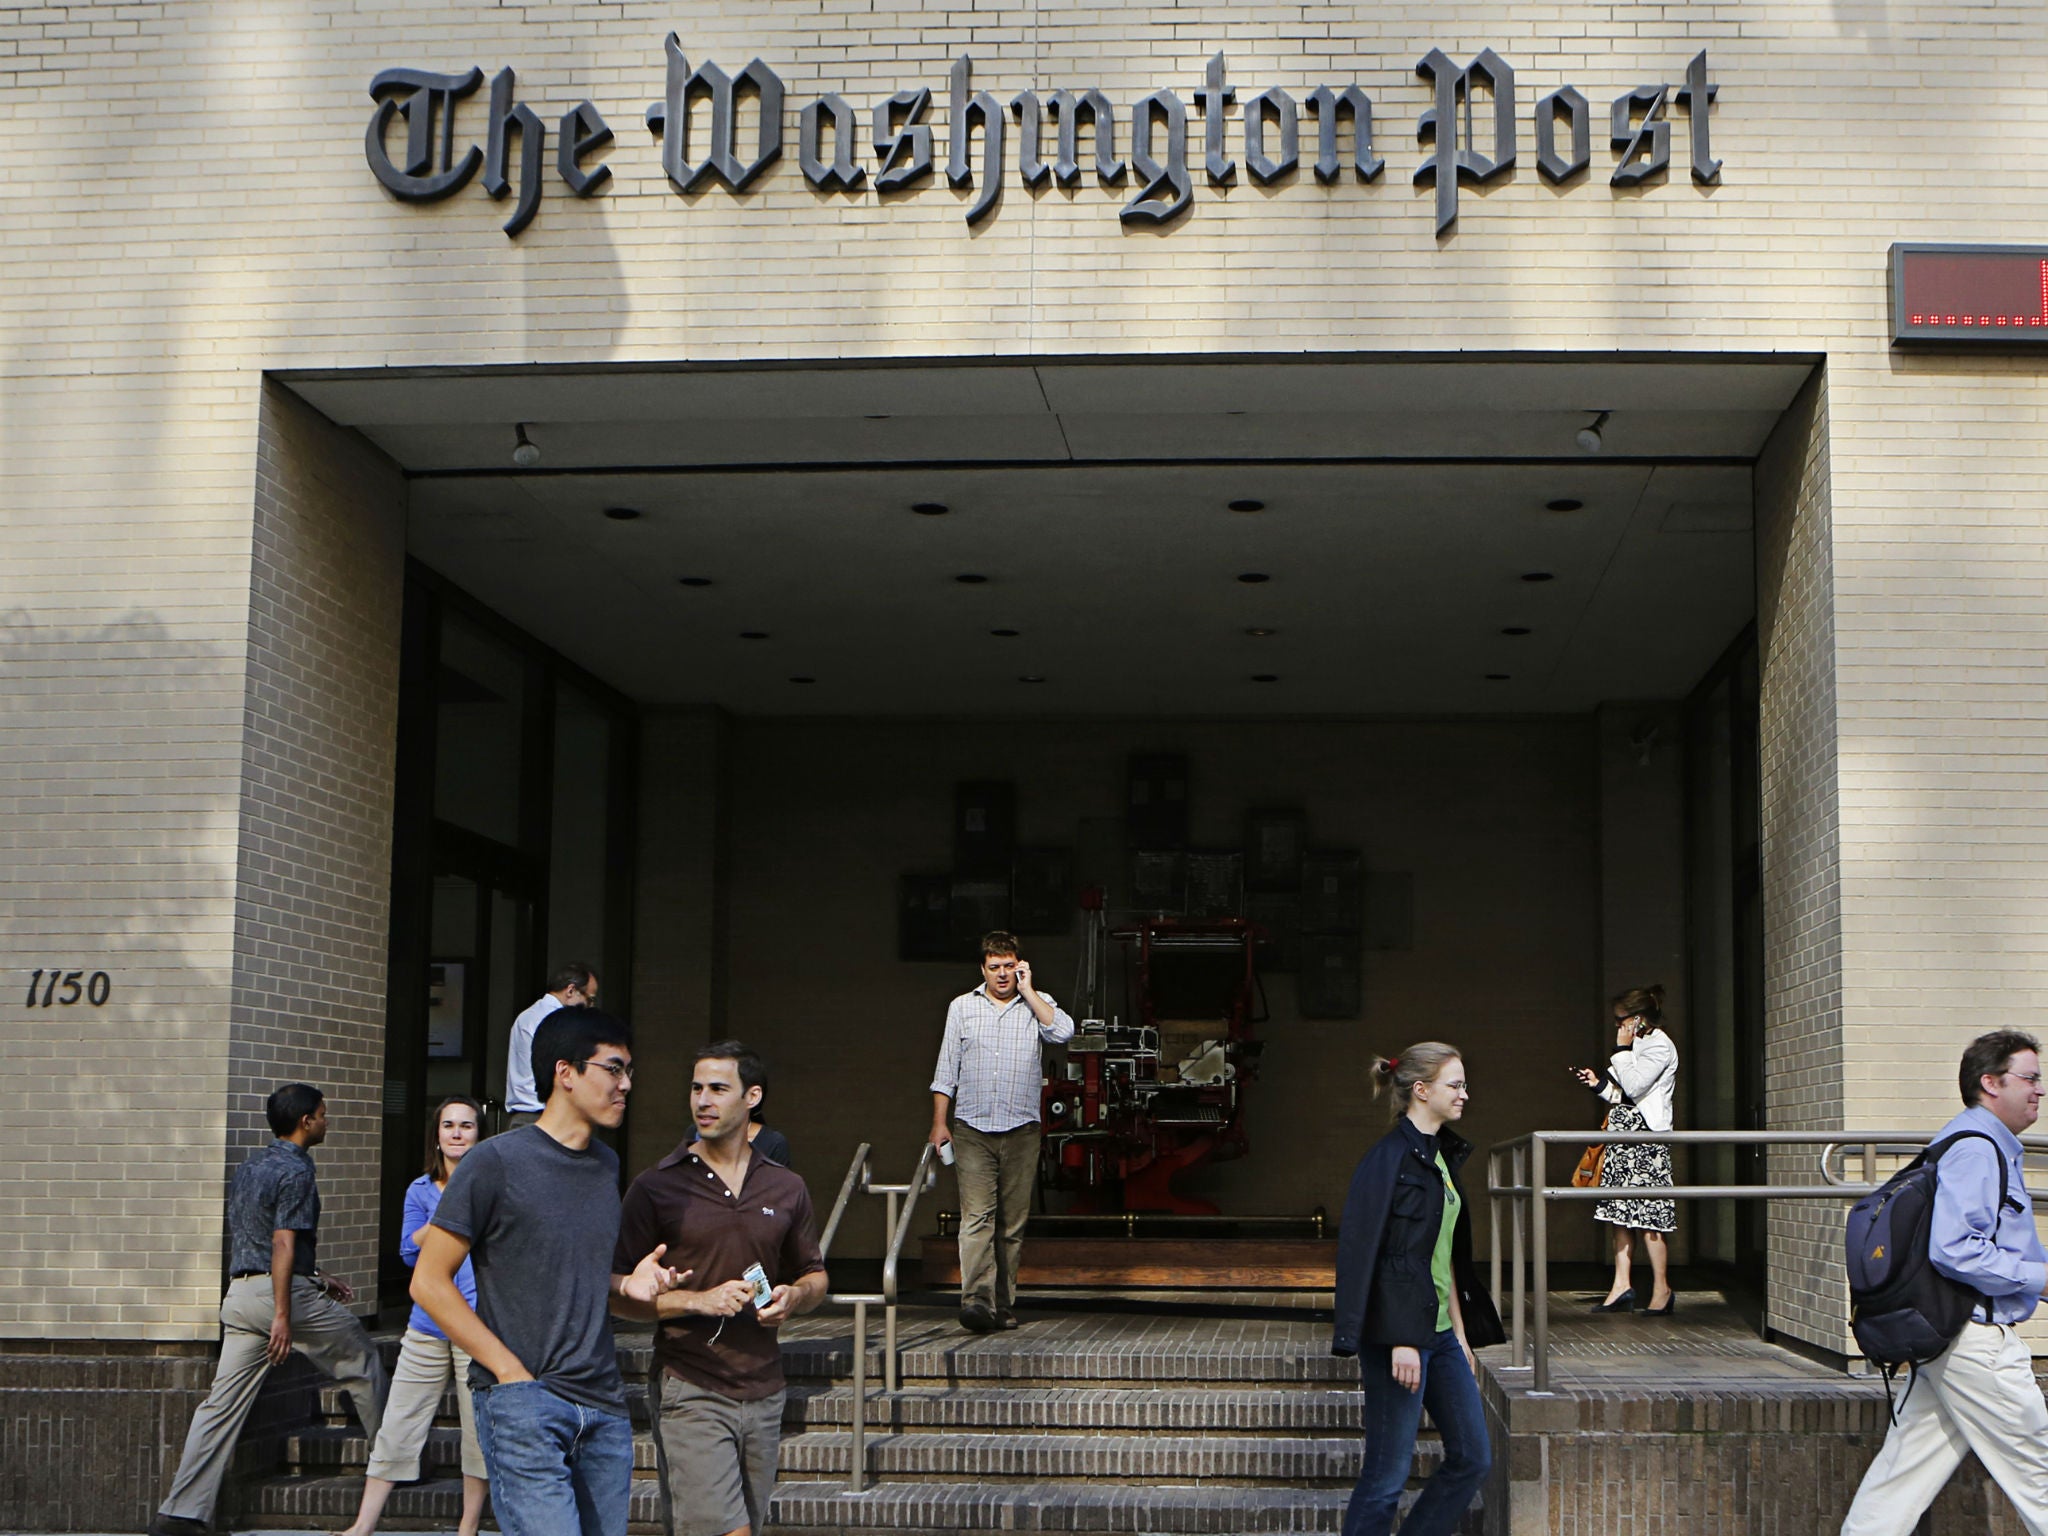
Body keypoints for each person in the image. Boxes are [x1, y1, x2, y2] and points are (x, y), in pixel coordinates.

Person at [413, 1007, 686, 1536]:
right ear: (566, 1073)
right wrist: (510, 1375)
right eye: (613, 1068)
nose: (626, 1084)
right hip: (526, 1404)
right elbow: (428, 1281)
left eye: (629, 1071)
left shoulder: (605, 1166)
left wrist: (627, 1286)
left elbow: (580, 1279)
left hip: (603, 1405)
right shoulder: (494, 1162)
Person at [151, 1085, 388, 1536]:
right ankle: (394, 1464)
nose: (326, 1120)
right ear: (305, 1122)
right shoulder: (297, 1172)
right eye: (322, 1114)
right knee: (362, 1358)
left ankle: (179, 1513)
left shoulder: (251, 1166)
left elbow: (261, 1238)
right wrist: (284, 1312)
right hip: (278, 1299)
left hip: (240, 1298)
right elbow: (281, 1242)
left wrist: (315, 1276)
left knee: (219, 1407)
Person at [615, 1042, 828, 1536]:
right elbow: (614, 1294)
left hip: (765, 1387)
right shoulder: (656, 1187)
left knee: (745, 1526)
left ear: (752, 1096)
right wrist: (695, 1301)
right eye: (696, 1088)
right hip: (692, 1384)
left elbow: (815, 1276)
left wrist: (794, 1297)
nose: (702, 1101)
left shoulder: (786, 1187)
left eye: (717, 1089)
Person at [1840, 1029, 2048, 1536]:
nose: (2039, 1091)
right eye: (2030, 1078)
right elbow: (1955, 1248)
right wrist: (2040, 1278)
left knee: (1901, 1477)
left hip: (1945, 1343)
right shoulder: (1978, 1150)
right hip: (1975, 1341)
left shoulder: (1966, 1140)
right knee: (2038, 1471)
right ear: (1990, 1083)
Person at [1332, 1042, 1503, 1536]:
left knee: (1472, 1457)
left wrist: (1463, 1338)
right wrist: (1402, 1338)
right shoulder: (1387, 1160)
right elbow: (1376, 1256)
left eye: (1465, 1084)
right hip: (1397, 1337)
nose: (1465, 1094)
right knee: (1386, 1477)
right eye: (1456, 1085)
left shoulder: (1440, 1157)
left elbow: (1439, 1255)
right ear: (1421, 1090)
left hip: (1443, 1334)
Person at [335, 1096, 490, 1536]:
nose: (457, 1133)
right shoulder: (420, 1190)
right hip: (425, 1324)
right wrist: (449, 1210)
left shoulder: (492, 1188)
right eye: (449, 1125)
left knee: (477, 1430)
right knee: (399, 1422)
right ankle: (363, 1526)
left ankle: (469, 1527)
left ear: (479, 1134)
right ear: (437, 1136)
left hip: (475, 1324)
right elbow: (408, 1251)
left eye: (466, 1125)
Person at [928, 929, 1075, 1333]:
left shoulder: (1036, 1005)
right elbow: (946, 1070)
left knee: (1011, 1224)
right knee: (977, 1218)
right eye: (995, 967)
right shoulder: (962, 1007)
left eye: (1010, 967)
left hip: (1022, 1129)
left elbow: (1063, 1032)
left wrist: (1030, 991)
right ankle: (976, 1300)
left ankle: (1003, 1303)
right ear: (983, 969)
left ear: (1020, 967)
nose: (1002, 974)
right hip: (973, 1127)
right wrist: (939, 1123)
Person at [1571, 985, 1679, 1315]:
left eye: (1621, 1020)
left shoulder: (1659, 1045)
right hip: (1623, 1133)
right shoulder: (1638, 1045)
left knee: (1650, 1216)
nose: (1617, 1026)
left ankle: (1662, 1289)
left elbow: (1636, 1085)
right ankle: (1621, 1285)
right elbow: (1625, 1095)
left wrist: (1620, 1050)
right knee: (1619, 1213)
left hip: (1646, 1138)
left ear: (1637, 1019)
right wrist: (1599, 1085)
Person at [504, 962, 598, 1129]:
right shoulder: (558, 1021)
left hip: (523, 1116)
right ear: (571, 990)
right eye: (589, 1000)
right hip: (545, 1117)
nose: (590, 1007)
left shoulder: (527, 1016)